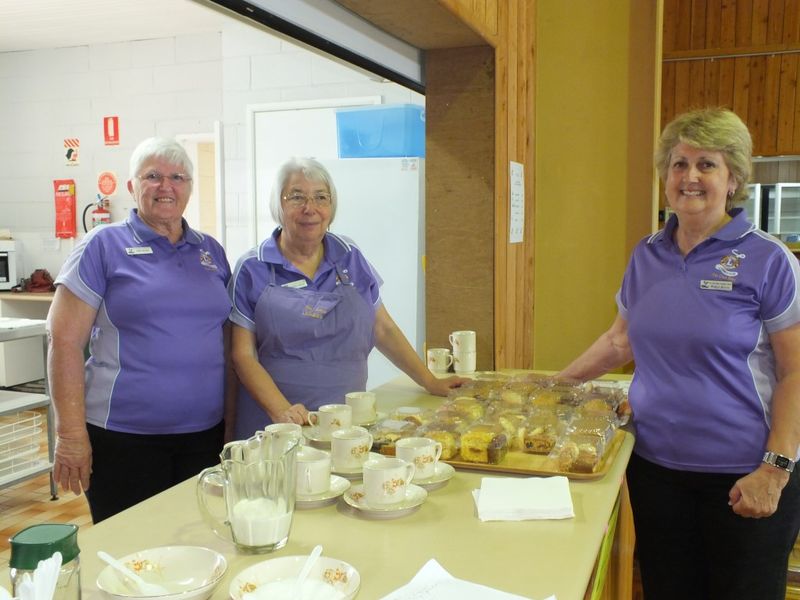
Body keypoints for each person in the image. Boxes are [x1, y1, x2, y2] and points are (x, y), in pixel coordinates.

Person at [559, 108, 800, 600]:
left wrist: (775, 469)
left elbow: (795, 370)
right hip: (656, 471)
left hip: (744, 474)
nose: (689, 177)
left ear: (733, 178)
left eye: (706, 165)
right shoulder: (647, 254)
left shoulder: (769, 259)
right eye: (678, 164)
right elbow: (619, 341)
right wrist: (555, 386)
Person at [46, 137, 233, 523]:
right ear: (132, 186)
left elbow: (227, 343)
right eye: (153, 176)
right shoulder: (102, 246)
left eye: (178, 177)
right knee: (132, 555)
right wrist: (69, 435)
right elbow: (63, 341)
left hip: (204, 436)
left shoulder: (210, 251)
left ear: (189, 188)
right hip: (124, 440)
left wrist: (232, 424)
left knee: (197, 543)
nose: (166, 186)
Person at [228, 157, 464, 439]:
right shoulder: (253, 267)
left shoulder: (349, 254)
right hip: (278, 425)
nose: (310, 208)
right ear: (278, 205)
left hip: (348, 421)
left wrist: (430, 381)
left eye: (320, 197)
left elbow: (382, 328)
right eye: (296, 197)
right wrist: (282, 411)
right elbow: (242, 355)